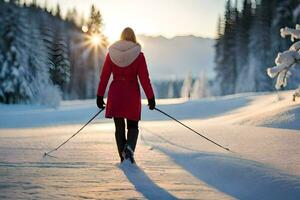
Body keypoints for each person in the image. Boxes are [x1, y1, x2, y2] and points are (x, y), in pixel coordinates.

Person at [96, 27, 156, 164]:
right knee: (133, 126)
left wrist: (99, 96)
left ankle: (123, 157)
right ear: (133, 37)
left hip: (115, 94)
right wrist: (151, 98)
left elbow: (104, 77)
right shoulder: (139, 56)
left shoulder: (111, 54)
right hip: (132, 95)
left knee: (119, 128)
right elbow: (144, 79)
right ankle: (129, 150)